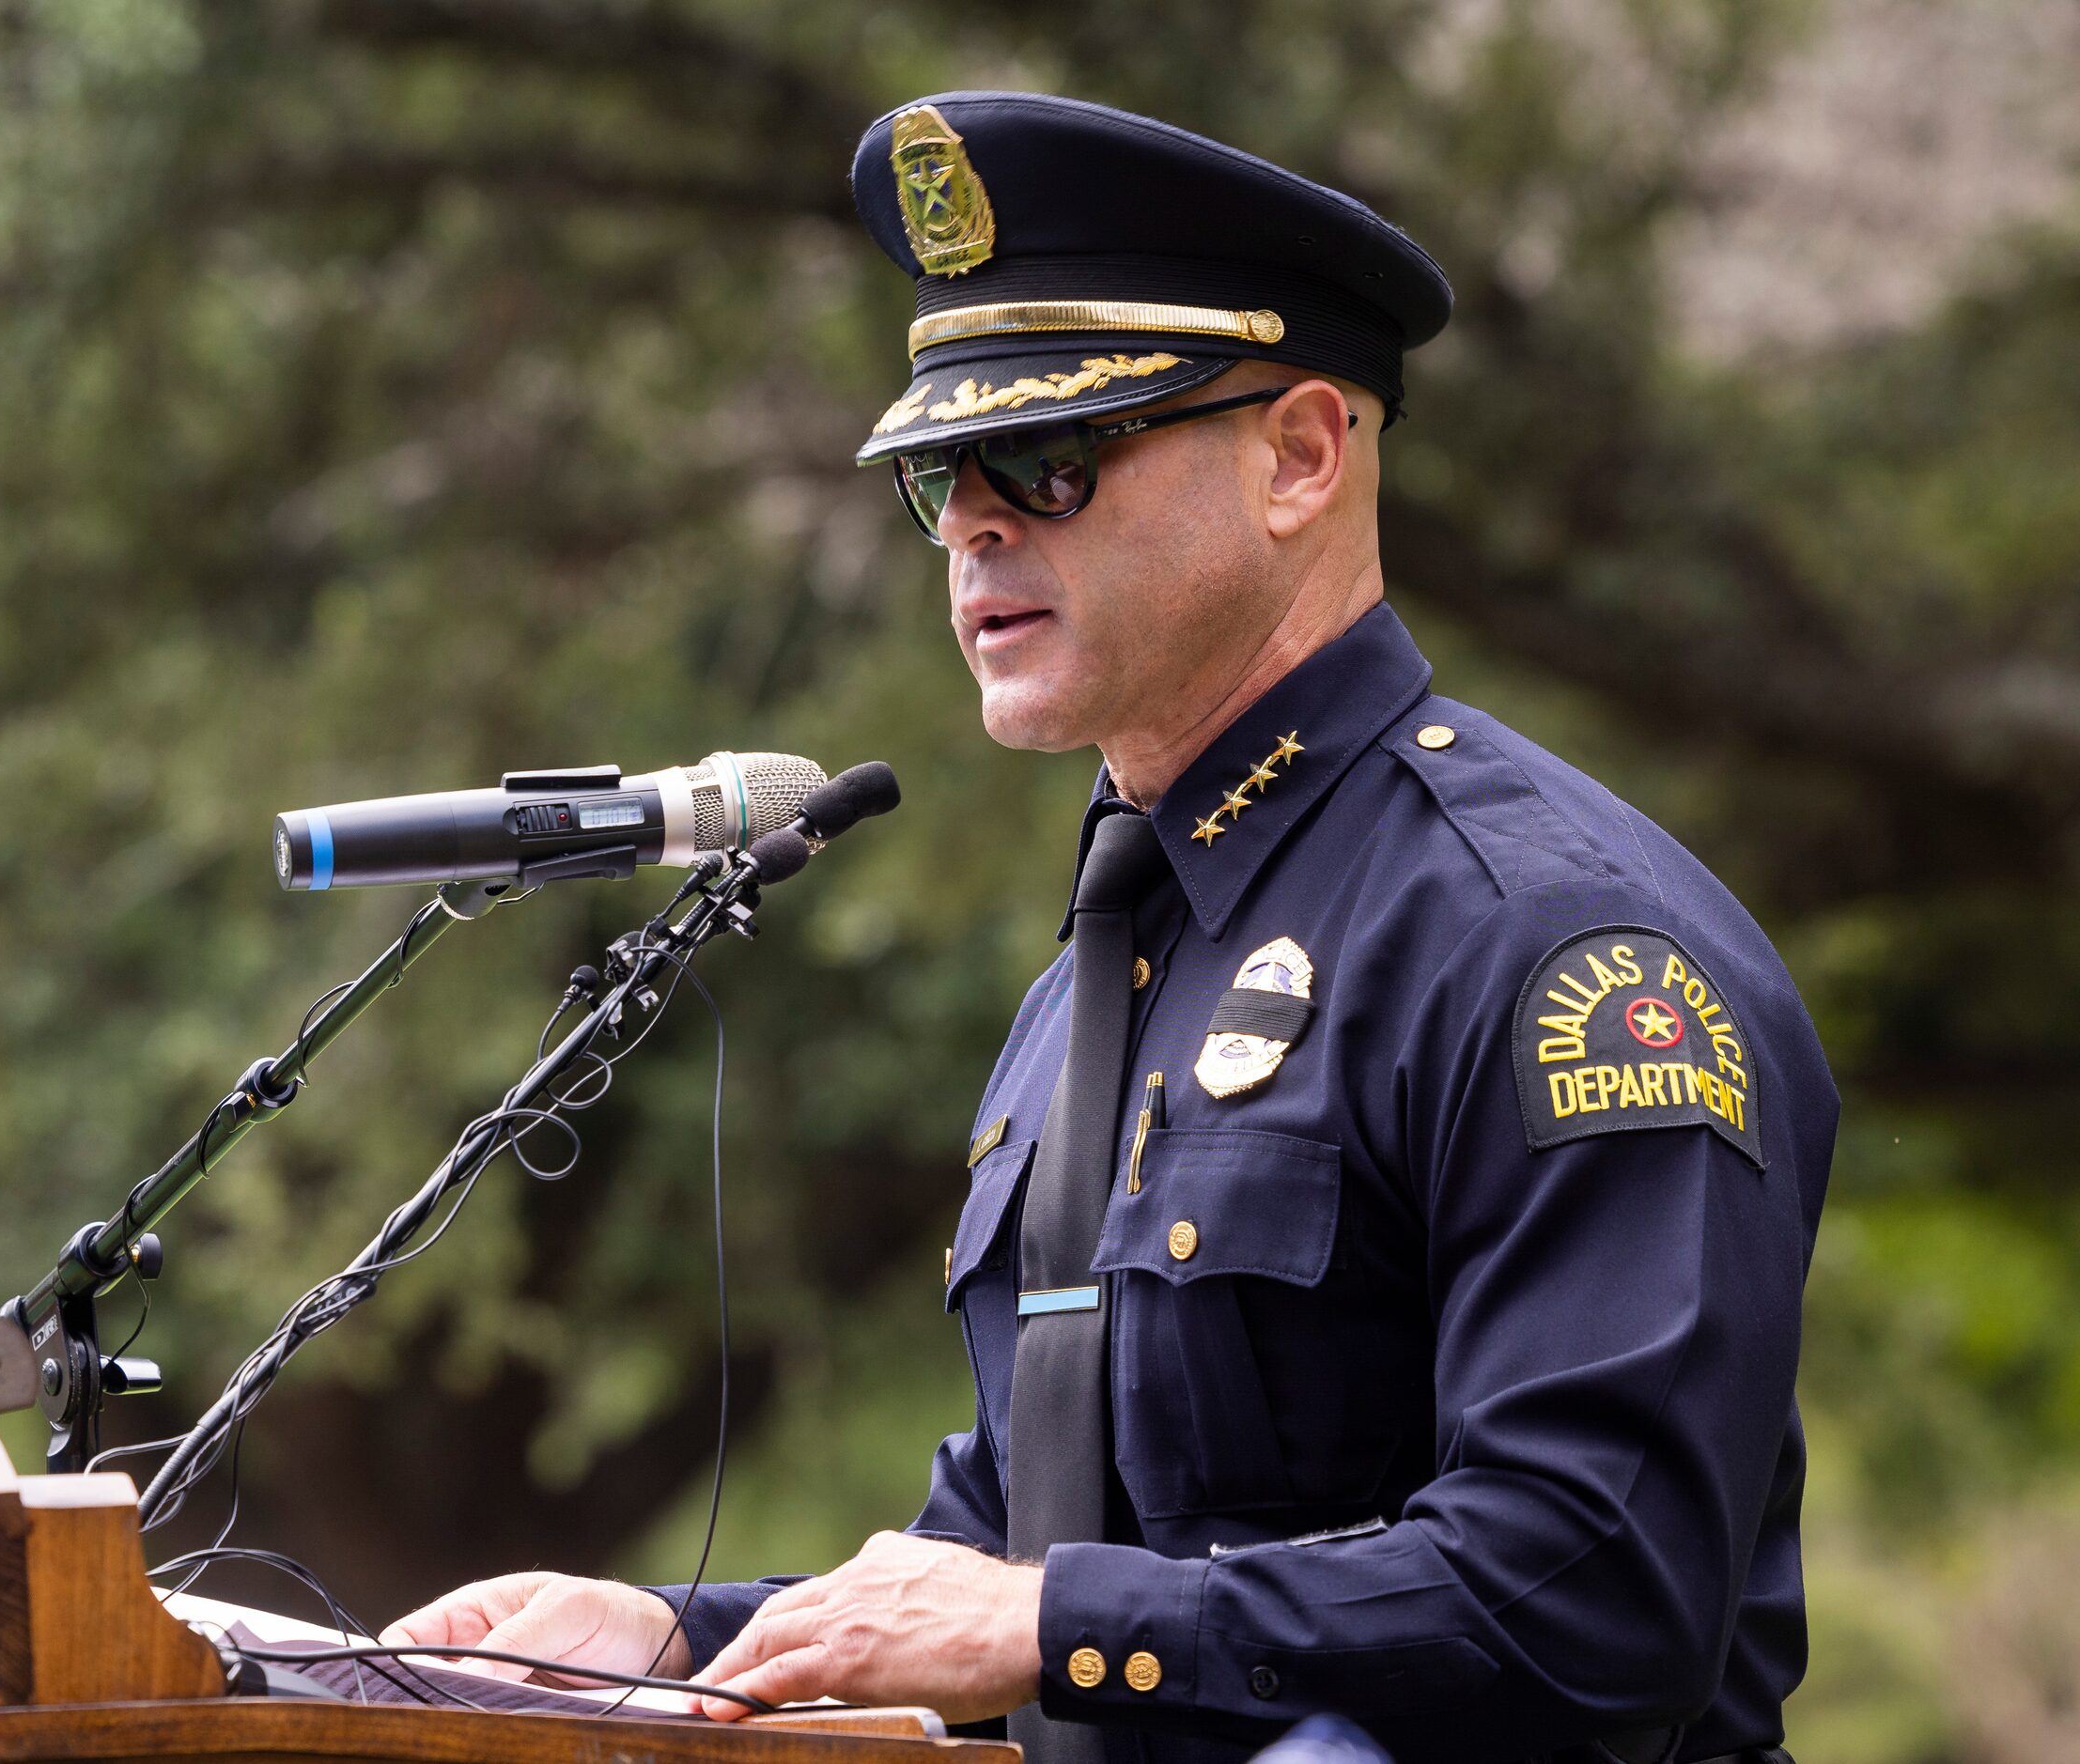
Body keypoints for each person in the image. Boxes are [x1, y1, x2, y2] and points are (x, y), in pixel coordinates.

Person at [382, 92, 1830, 1764]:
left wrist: (1056, 1625)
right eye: (940, 474)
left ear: (1299, 455)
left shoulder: (1554, 947)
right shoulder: (1106, 968)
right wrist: (674, 1633)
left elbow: (1598, 1592)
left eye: (1052, 458)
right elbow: (1035, 1546)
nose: (980, 523)